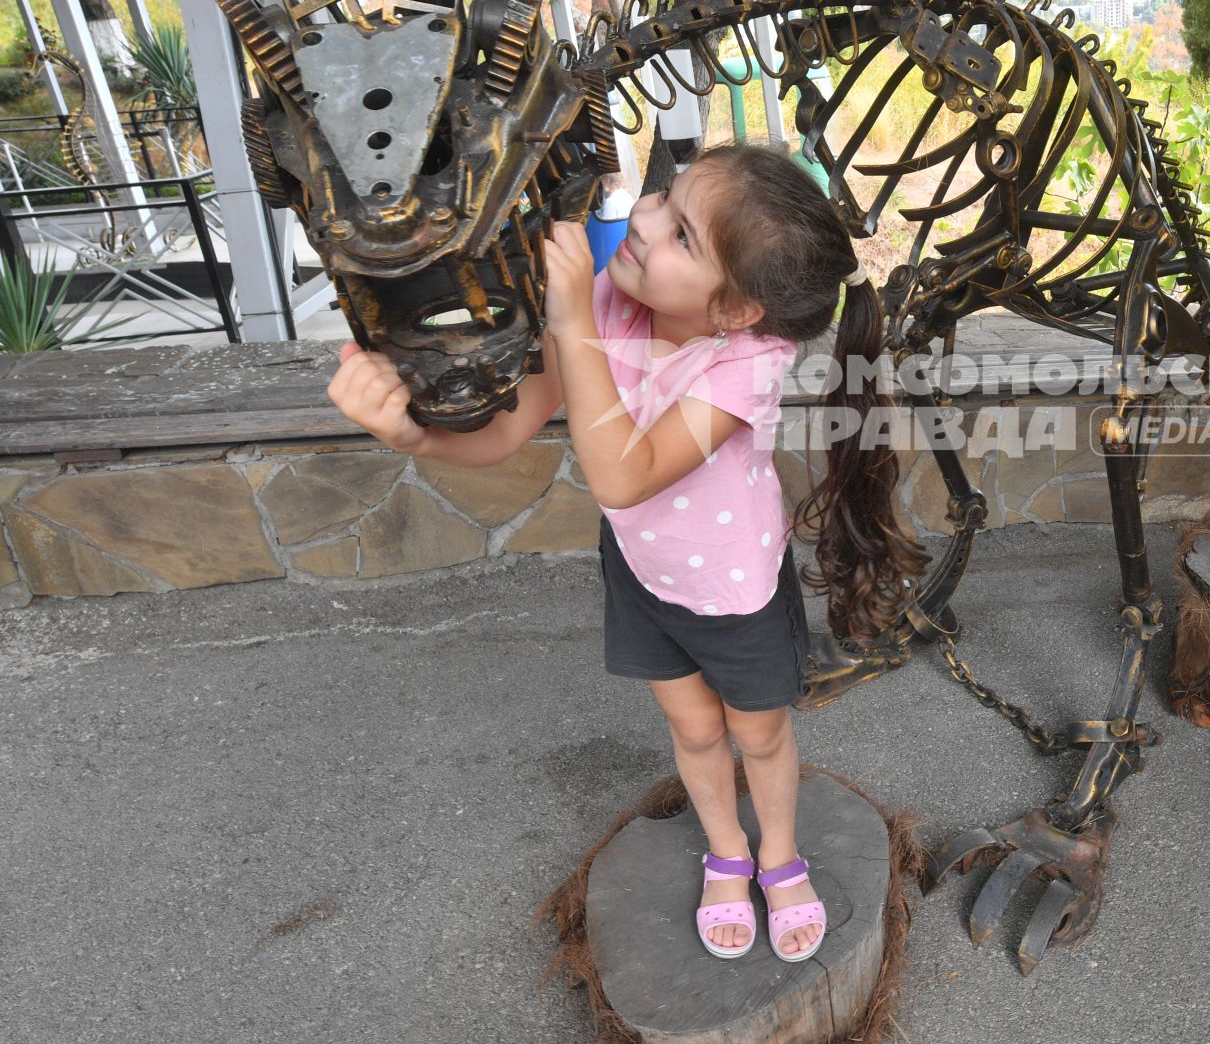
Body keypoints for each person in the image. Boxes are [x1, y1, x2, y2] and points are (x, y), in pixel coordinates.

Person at [325, 143, 926, 961]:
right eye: (662, 198)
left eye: (681, 234)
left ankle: (780, 856)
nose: (641, 221)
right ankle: (728, 852)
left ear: (736, 310)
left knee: (758, 735)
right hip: (643, 574)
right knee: (692, 727)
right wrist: (408, 434)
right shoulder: (609, 300)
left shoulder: (745, 364)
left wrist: (571, 321)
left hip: (732, 589)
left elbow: (623, 475)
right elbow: (507, 429)